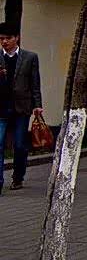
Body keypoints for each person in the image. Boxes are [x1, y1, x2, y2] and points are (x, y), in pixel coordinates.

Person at [0, 22, 43, 193]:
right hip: (1, 107)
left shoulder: (29, 57)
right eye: (1, 39)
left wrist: (38, 105)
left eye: (8, 38)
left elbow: (35, 83)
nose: (4, 42)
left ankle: (18, 176)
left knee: (19, 145)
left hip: (21, 107)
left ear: (16, 38)